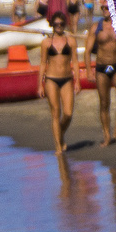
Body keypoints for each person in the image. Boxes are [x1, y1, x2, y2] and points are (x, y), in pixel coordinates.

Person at [84, 3, 116, 145]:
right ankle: (107, 135)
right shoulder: (96, 28)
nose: (104, 10)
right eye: (102, 8)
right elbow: (87, 51)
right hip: (102, 68)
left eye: (106, 7)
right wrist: (88, 71)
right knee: (104, 102)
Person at [39, 12, 76, 152]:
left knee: (68, 114)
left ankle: (59, 134)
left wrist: (77, 81)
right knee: (55, 112)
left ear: (64, 24)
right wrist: (39, 85)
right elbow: (43, 63)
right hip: (51, 79)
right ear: (52, 25)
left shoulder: (71, 40)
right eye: (56, 24)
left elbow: (75, 63)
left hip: (67, 79)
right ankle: (58, 146)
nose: (59, 26)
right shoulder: (46, 42)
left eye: (61, 24)